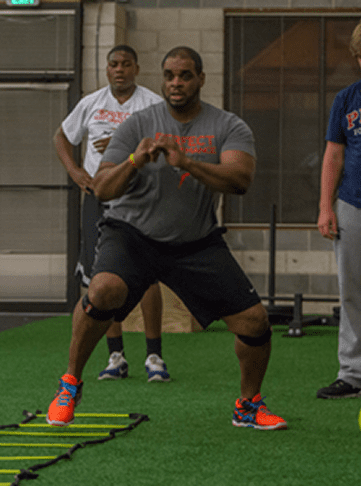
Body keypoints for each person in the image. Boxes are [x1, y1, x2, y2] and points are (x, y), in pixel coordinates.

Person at [46, 46, 287, 430]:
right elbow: (104, 190)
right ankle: (70, 383)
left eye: (186, 75)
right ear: (162, 78)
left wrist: (187, 162)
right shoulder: (138, 124)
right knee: (102, 290)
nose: (177, 83)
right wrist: (133, 161)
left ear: (200, 79)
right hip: (131, 234)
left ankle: (248, 406)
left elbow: (240, 180)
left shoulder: (227, 126)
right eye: (170, 75)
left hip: (195, 241)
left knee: (254, 322)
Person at [53, 45, 170, 382]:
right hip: (98, 196)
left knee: (147, 275)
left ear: (136, 68)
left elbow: (166, 145)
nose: (120, 70)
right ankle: (115, 356)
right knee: (101, 275)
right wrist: (75, 171)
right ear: (107, 69)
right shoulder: (91, 103)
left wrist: (125, 144)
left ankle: (154, 356)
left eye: (126, 64)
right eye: (114, 64)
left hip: (139, 197)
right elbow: (61, 136)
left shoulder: (151, 104)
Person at [317, 22, 361, 399]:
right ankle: (353, 374)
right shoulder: (346, 100)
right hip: (352, 204)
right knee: (352, 290)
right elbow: (334, 154)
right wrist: (324, 207)